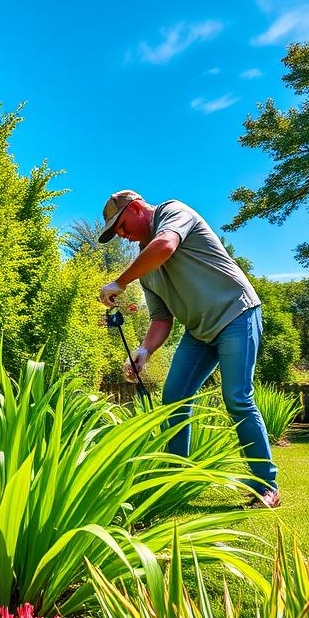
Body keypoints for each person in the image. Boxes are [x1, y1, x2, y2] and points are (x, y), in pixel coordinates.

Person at [97, 189, 280, 508]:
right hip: (200, 332)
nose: (122, 236)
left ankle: (266, 487)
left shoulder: (172, 211)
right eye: (116, 233)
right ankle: (174, 482)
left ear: (137, 208)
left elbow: (166, 246)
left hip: (237, 313)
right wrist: (144, 350)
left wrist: (120, 282)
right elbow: (161, 319)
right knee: (174, 398)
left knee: (237, 397)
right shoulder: (145, 270)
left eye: (122, 226)